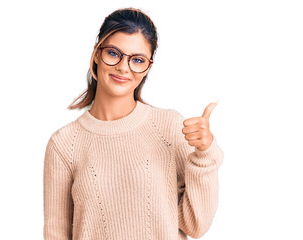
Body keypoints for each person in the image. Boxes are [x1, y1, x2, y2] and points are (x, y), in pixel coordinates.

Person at [43, 7, 224, 240]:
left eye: (137, 60)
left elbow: (195, 225)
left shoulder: (169, 127)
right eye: (113, 53)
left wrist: (204, 155)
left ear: (148, 66)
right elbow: (56, 233)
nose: (123, 67)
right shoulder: (64, 144)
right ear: (97, 53)